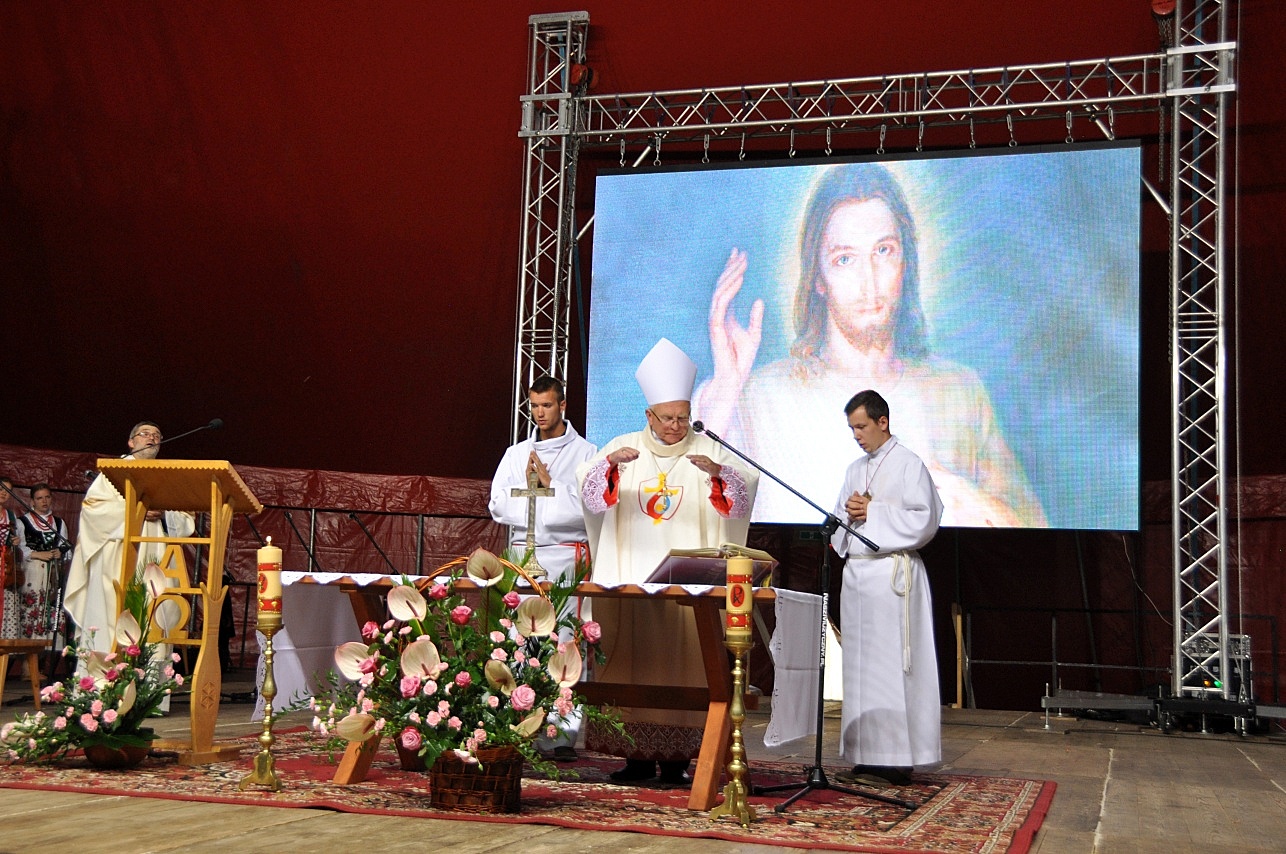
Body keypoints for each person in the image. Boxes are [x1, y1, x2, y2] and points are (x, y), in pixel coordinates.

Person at [695, 162, 1045, 527]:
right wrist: (724, 389)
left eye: (884, 251)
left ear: (906, 261)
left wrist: (963, 501)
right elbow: (694, 527)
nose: (869, 281)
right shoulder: (761, 397)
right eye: (845, 259)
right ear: (818, 278)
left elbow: (1034, 532)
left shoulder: (959, 392)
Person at [578, 338, 759, 784]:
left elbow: (741, 500)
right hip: (631, 586)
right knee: (631, 665)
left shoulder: (710, 451)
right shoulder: (623, 447)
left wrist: (718, 476)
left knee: (687, 667)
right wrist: (609, 468)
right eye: (668, 418)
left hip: (687, 591)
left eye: (683, 416)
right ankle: (635, 757)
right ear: (649, 415)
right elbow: (590, 498)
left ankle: (679, 759)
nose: (677, 425)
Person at [828, 390, 943, 787]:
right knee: (862, 669)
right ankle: (867, 753)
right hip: (859, 579)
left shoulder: (909, 464)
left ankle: (896, 758)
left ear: (883, 422)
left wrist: (873, 512)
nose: (856, 435)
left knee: (893, 668)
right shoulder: (854, 469)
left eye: (861, 426)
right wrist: (848, 517)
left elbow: (925, 520)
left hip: (893, 578)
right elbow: (841, 520)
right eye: (852, 428)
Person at [488, 375, 597, 760]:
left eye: (547, 405)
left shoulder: (586, 453)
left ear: (562, 405)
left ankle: (561, 733)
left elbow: (588, 508)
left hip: (565, 559)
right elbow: (498, 504)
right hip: (524, 557)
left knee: (563, 644)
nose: (540, 413)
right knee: (520, 641)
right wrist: (541, 497)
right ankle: (518, 726)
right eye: (534, 406)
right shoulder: (516, 454)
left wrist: (550, 488)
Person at [64, 422, 196, 657]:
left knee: (153, 612)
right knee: (112, 613)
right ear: (131, 442)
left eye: (156, 435)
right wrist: (137, 511)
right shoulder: (114, 472)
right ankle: (106, 676)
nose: (151, 438)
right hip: (117, 556)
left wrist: (165, 513)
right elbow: (93, 509)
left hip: (155, 555)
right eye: (144, 434)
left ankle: (148, 676)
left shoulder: (166, 475)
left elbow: (185, 520)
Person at [10, 483, 72, 648]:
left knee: (51, 611)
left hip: (53, 575)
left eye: (47, 497)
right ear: (32, 501)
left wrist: (60, 552)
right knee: (31, 610)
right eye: (39, 498)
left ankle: (48, 656)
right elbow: (18, 548)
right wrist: (36, 554)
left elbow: (66, 548)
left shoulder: (59, 523)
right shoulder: (22, 522)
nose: (44, 501)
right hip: (32, 574)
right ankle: (27, 655)